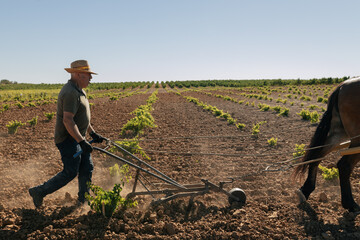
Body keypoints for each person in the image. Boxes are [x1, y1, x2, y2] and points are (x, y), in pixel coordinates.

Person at [29, 60, 106, 208]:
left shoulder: (80, 91)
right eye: (87, 75)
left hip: (77, 138)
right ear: (77, 74)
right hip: (68, 139)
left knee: (87, 167)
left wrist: (92, 133)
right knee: (71, 171)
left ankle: (83, 201)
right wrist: (81, 142)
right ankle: (39, 191)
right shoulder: (70, 92)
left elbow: (82, 117)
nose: (91, 78)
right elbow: (68, 120)